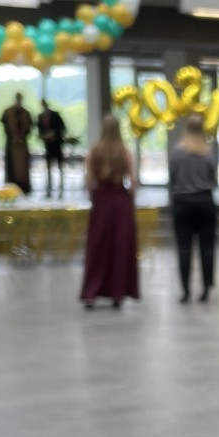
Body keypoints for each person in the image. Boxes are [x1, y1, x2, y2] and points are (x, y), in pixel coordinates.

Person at [79, 115, 140, 310]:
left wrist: (94, 199)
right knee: (120, 248)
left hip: (102, 200)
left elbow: (89, 181)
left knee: (97, 247)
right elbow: (133, 182)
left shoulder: (94, 152)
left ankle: (91, 293)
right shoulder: (124, 152)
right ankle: (117, 293)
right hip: (120, 201)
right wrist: (130, 201)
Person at [168, 116, 219, 303]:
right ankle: (206, 288)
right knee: (207, 247)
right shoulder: (208, 152)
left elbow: (172, 177)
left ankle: (185, 289)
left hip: (182, 201)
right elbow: (214, 178)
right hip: (204, 201)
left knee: (184, 248)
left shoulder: (176, 152)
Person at [1, 94, 33, 195]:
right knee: (12, 166)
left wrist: (21, 136)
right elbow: (5, 126)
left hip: (22, 143)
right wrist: (13, 136)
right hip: (11, 143)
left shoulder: (26, 113)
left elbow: (29, 128)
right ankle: (11, 185)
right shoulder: (8, 112)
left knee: (23, 166)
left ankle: (23, 186)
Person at [37, 100, 69, 199]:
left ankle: (61, 188)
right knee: (48, 168)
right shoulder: (40, 117)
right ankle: (49, 189)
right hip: (48, 146)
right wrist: (44, 136)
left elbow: (62, 128)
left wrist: (54, 134)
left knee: (60, 167)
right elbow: (39, 130)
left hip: (57, 144)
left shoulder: (55, 115)